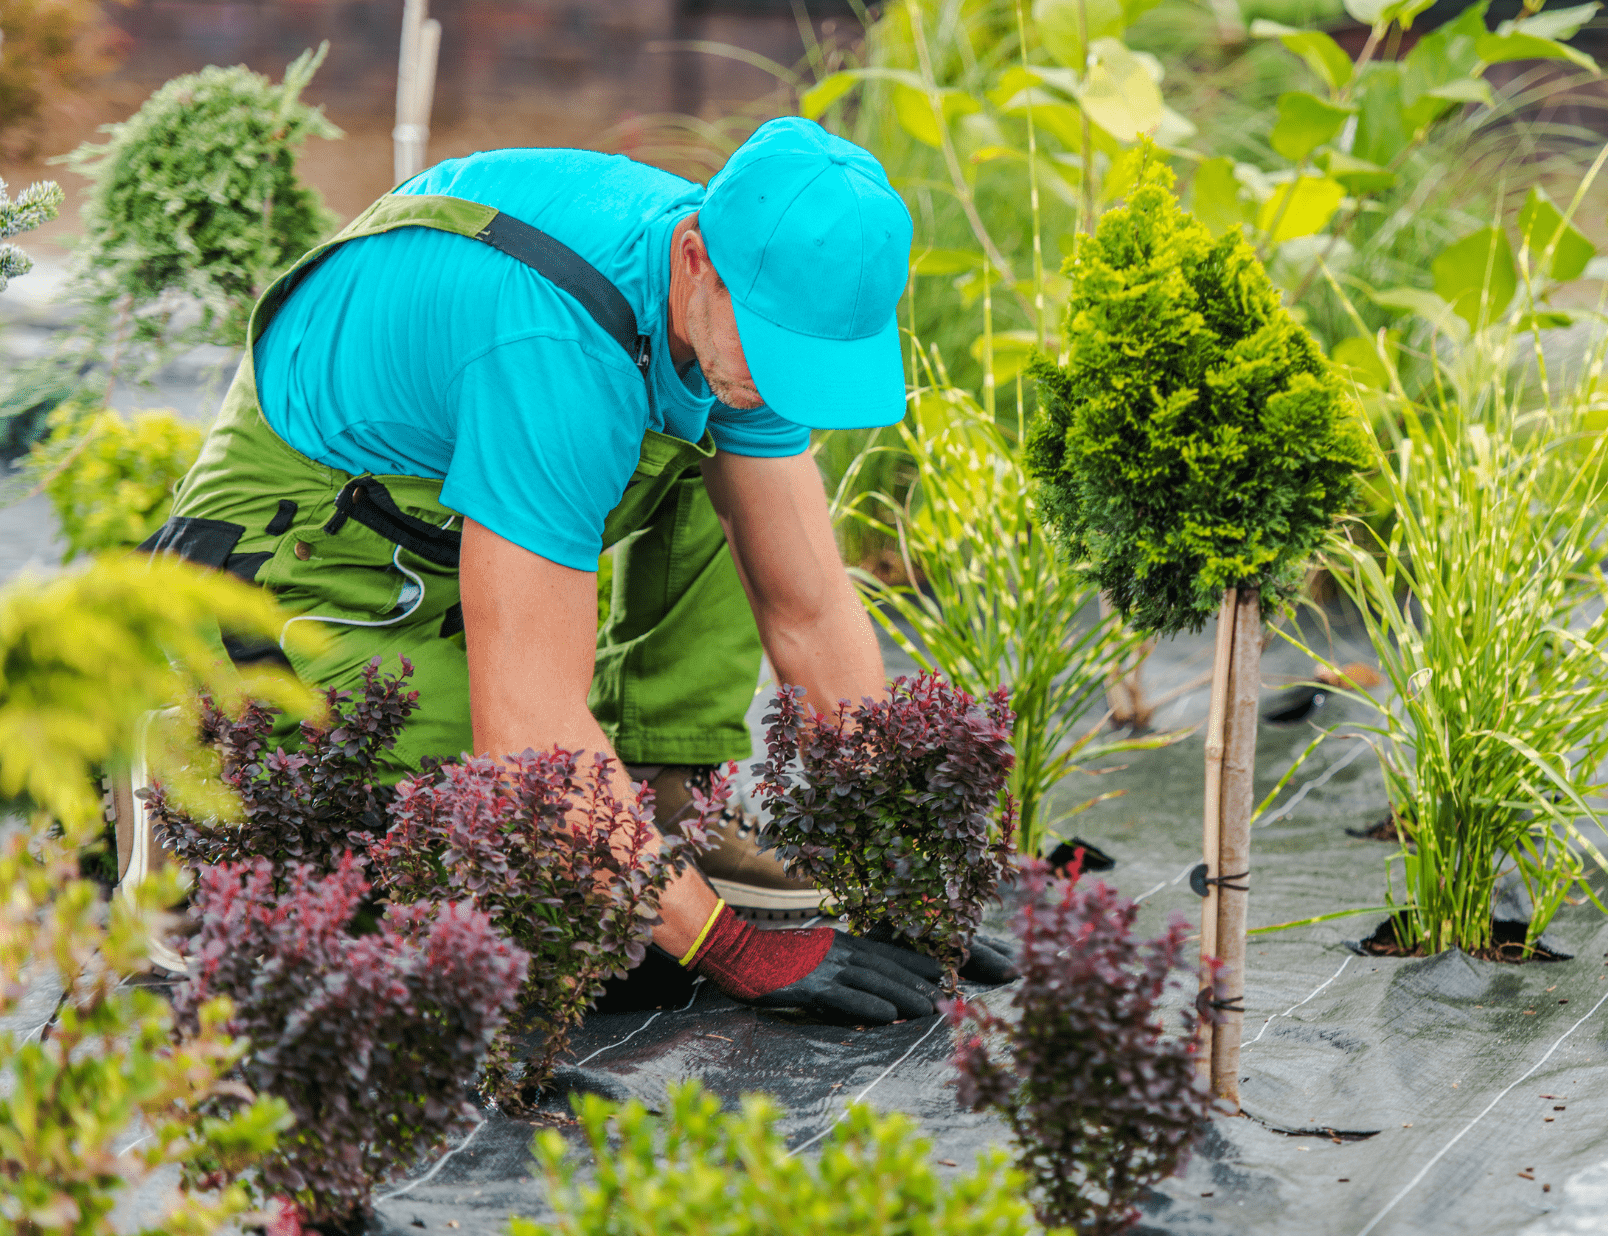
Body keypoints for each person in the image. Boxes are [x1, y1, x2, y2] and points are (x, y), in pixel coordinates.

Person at [142, 116, 1013, 1024]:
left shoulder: (735, 319)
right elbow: (530, 733)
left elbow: (810, 610)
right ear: (693, 259)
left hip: (452, 500)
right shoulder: (553, 348)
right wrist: (733, 948)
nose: (781, 383)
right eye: (773, 351)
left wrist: (904, 881)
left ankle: (665, 797)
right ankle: (176, 764)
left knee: (730, 464)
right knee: (451, 881)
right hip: (307, 547)